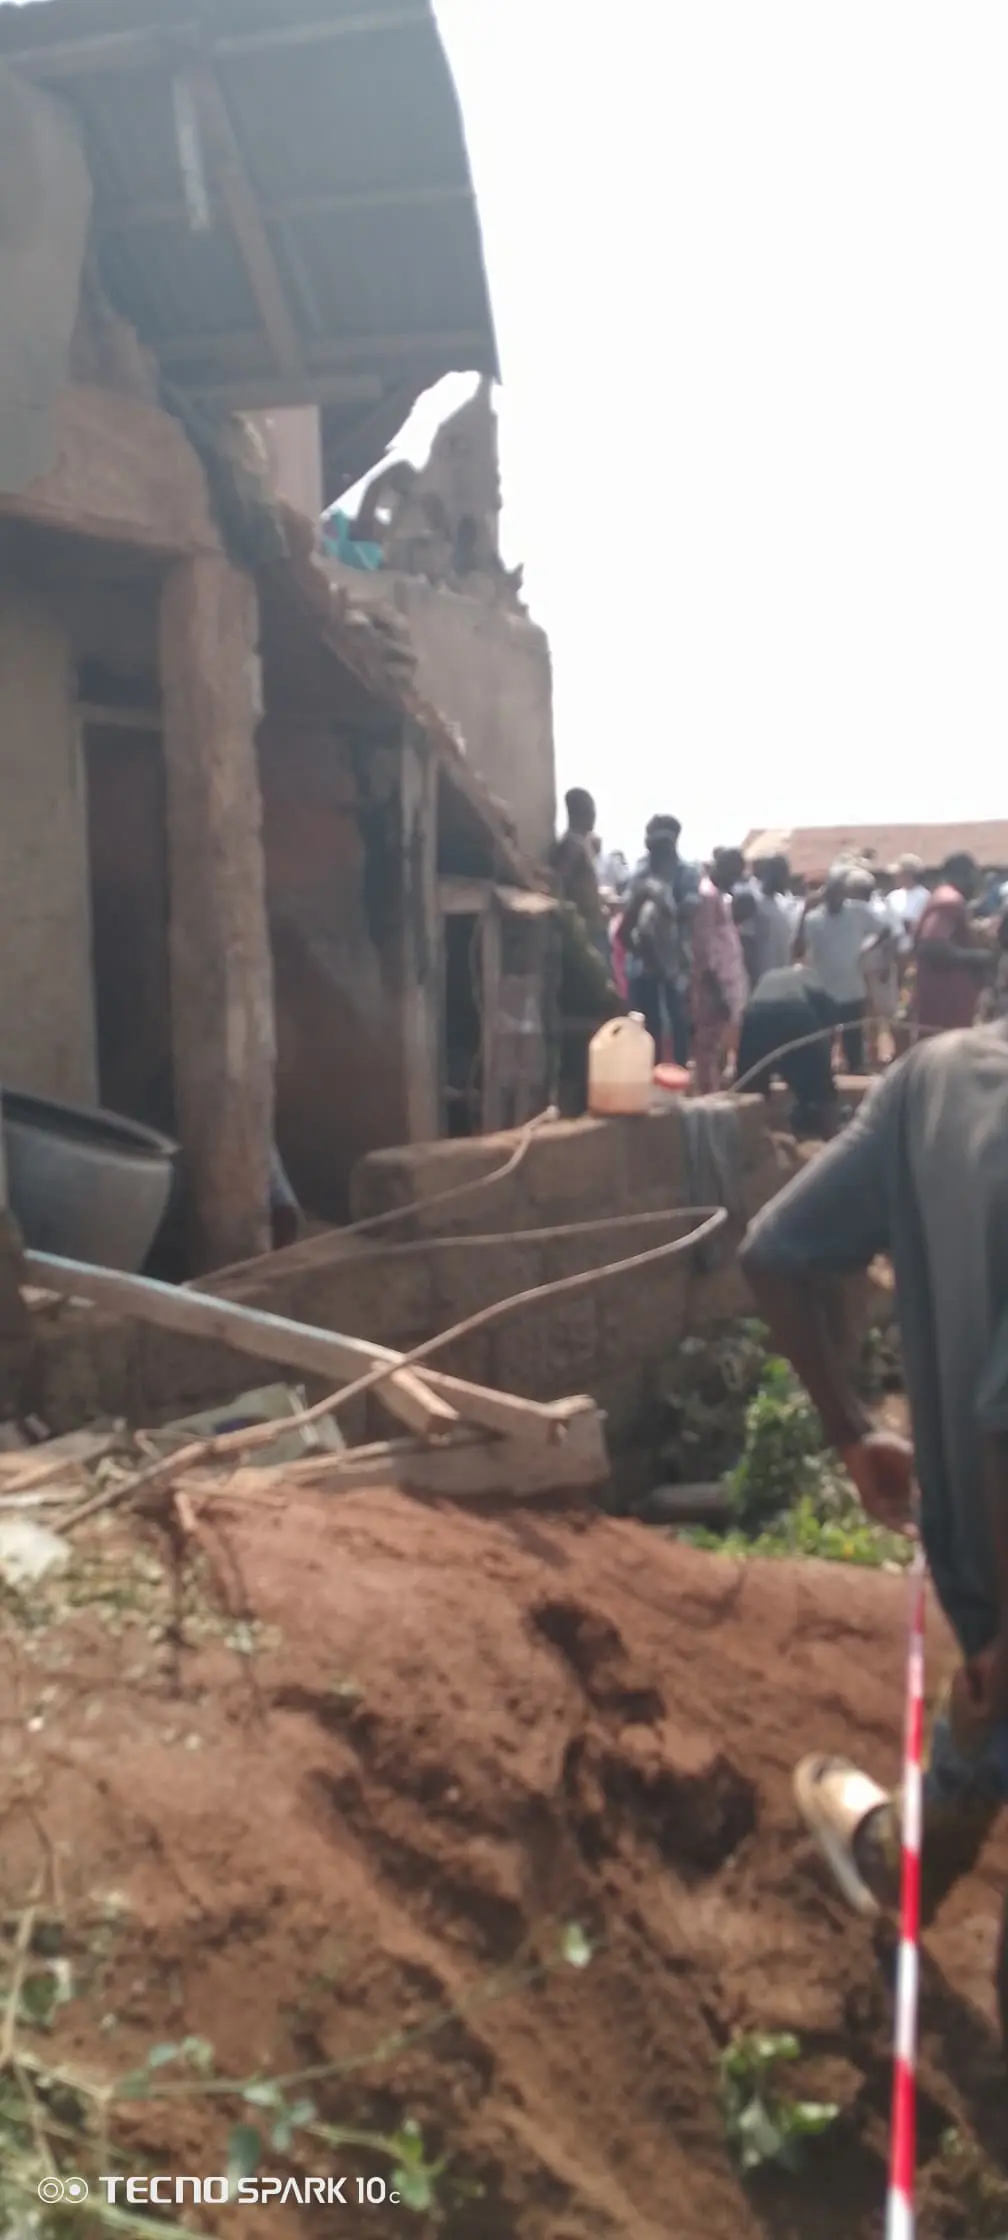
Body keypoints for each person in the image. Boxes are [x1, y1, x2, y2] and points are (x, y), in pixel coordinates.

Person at [740, 1026, 1008, 2045]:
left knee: (981, 1732)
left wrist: (851, 1428)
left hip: (981, 1582)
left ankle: (905, 1869)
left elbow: (770, 1251)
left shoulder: (931, 1082)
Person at [620, 817, 698, 1065]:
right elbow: (630, 928)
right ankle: (650, 1080)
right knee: (646, 1027)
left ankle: (675, 1078)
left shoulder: (686, 873)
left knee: (677, 1025)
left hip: (671, 965)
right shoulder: (642, 878)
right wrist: (648, 955)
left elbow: (690, 910)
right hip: (648, 967)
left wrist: (666, 908)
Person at [734, 964, 840, 1137]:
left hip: (755, 1014)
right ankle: (829, 1136)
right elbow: (826, 1034)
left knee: (750, 1090)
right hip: (794, 1013)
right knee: (821, 1092)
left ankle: (748, 1136)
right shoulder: (818, 984)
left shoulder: (772, 976)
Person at [796, 866, 884, 1074]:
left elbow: (884, 930)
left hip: (852, 987)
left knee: (853, 1039)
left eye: (840, 892)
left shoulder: (857, 911)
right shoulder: (813, 918)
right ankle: (824, 1079)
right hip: (824, 989)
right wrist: (804, 911)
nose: (836, 897)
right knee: (823, 1040)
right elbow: (798, 950)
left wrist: (867, 948)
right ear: (825, 893)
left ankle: (856, 1074)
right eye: (832, 892)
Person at [912, 852, 990, 1035]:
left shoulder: (945, 897)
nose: (976, 882)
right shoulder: (949, 901)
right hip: (945, 999)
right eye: (974, 876)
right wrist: (980, 957)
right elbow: (932, 947)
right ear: (962, 874)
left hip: (945, 997)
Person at [690, 848, 749, 1092]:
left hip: (723, 982)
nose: (736, 878)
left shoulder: (719, 896)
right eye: (734, 872)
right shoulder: (707, 896)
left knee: (717, 1046)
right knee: (707, 1047)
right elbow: (702, 946)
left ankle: (711, 1092)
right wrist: (715, 989)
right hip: (712, 984)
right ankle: (707, 1097)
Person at [747, 853, 797, 985]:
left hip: (782, 978)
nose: (787, 879)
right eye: (784, 874)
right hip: (763, 980)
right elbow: (748, 945)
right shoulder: (755, 904)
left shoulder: (783, 903)